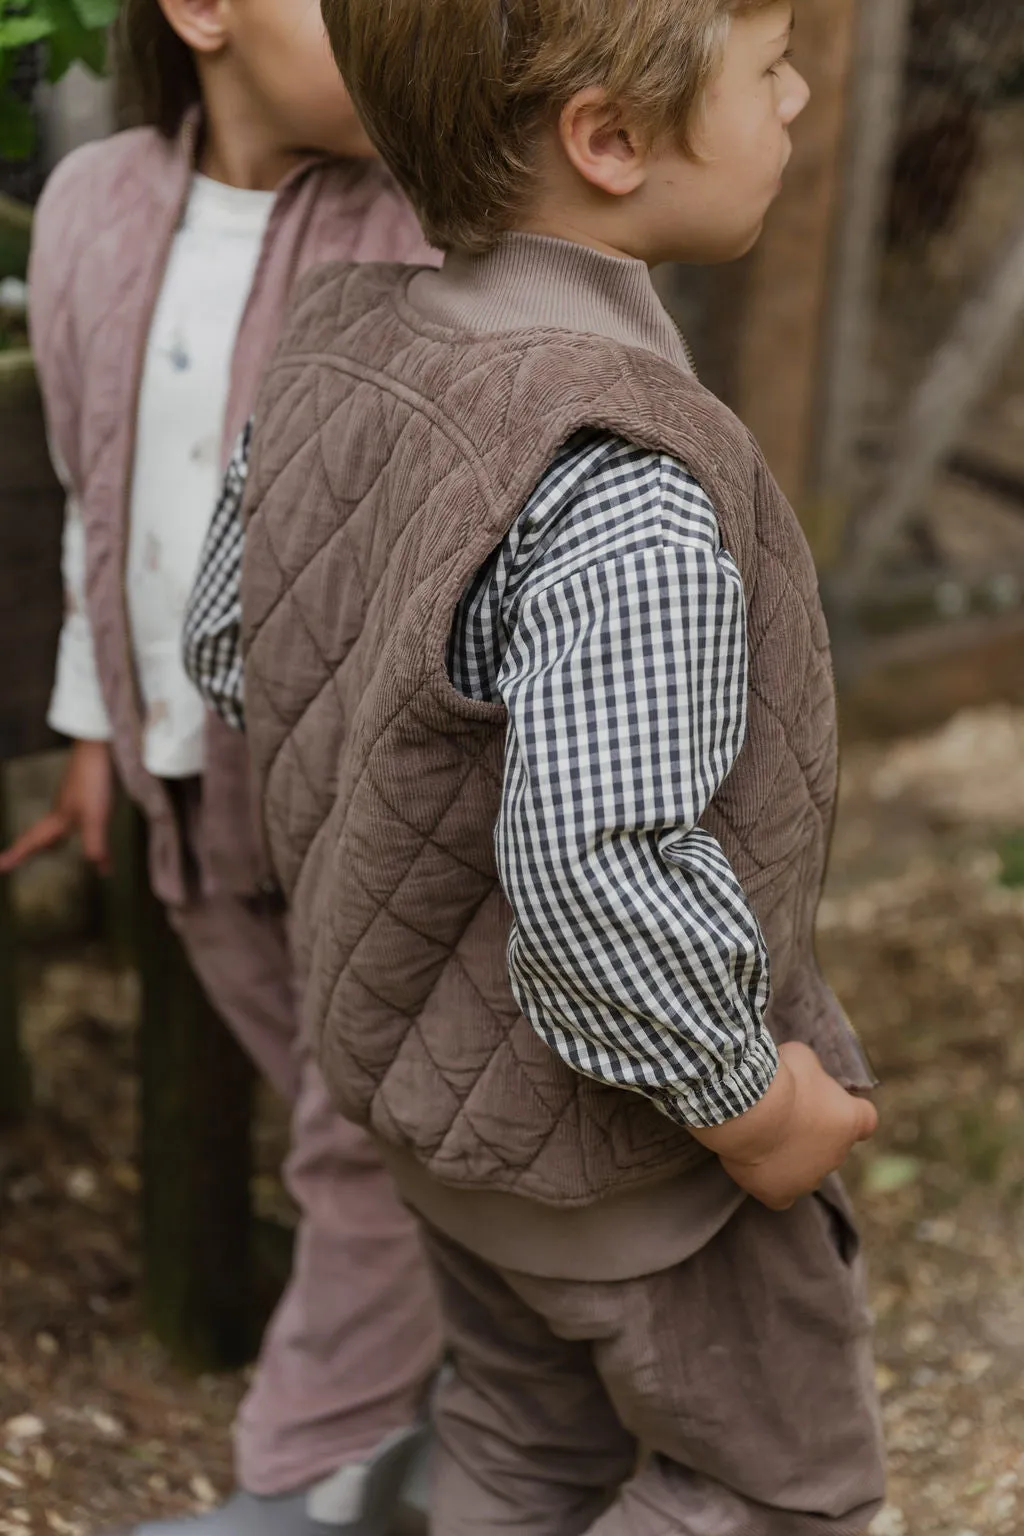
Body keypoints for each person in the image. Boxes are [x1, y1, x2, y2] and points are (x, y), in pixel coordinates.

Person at [189, 0, 887, 1530]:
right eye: (770, 72)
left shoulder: (331, 349)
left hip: (431, 1123)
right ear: (612, 141)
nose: (796, 103)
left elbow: (235, 651)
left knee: (520, 1441)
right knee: (772, 1492)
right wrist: (750, 1107)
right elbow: (593, 872)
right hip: (638, 1169)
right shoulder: (621, 483)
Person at [1, 2, 444, 1533]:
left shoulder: (424, 227)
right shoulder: (93, 208)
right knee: (350, 1113)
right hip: (178, 783)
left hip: (365, 804)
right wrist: (89, 724)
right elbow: (94, 486)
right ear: (203, 9)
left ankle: (299, 1478)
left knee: (366, 1131)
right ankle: (474, 1395)